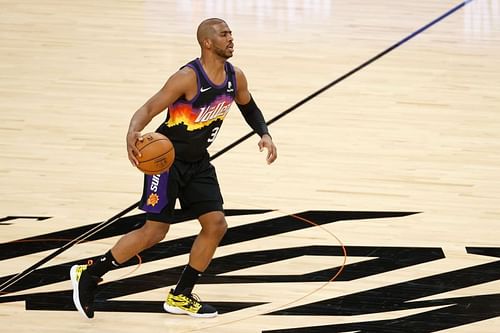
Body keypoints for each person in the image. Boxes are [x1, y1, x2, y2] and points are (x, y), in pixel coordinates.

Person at [69, 17, 277, 319]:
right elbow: (149, 108)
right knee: (155, 231)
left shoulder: (236, 77)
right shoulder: (187, 77)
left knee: (216, 225)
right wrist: (132, 131)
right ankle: (91, 274)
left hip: (199, 162)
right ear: (207, 42)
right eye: (224, 34)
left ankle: (181, 295)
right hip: (165, 162)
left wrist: (264, 134)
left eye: (231, 33)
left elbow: (248, 105)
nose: (231, 38)